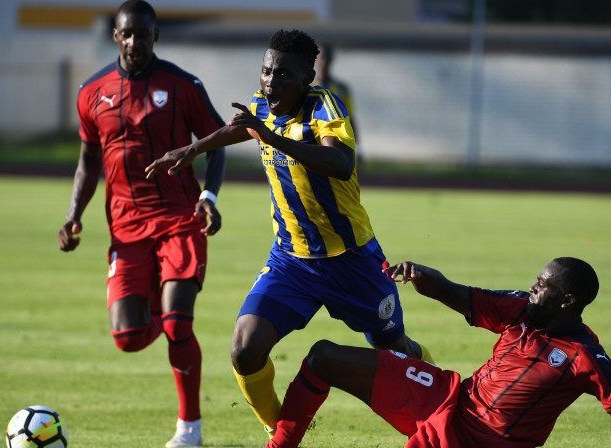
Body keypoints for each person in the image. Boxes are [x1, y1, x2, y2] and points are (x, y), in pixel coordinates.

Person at [144, 29, 434, 440]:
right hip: (292, 260)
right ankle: (279, 428)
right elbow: (242, 129)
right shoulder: (263, 103)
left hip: (351, 258)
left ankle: (432, 383)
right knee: (244, 349)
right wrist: (193, 149)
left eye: (283, 75)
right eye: (265, 72)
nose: (270, 82)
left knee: (393, 350)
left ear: (306, 78)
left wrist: (274, 138)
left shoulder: (324, 105)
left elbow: (340, 162)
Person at [57, 1, 226, 446]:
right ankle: (161, 314)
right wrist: (73, 215)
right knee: (128, 337)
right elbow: (88, 162)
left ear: (156, 36)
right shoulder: (92, 92)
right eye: (126, 34)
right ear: (115, 35)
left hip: (180, 220)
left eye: (143, 34)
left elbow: (218, 142)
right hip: (126, 229)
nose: (135, 42)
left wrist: (209, 195)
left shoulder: (183, 85)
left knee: (178, 325)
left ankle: (189, 429)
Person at [264, 257, 611, 448]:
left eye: (544, 286)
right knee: (323, 357)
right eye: (536, 281)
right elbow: (456, 293)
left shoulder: (584, 357)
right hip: (450, 395)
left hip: (479, 441)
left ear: (569, 301)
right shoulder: (520, 307)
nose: (533, 289)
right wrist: (423, 276)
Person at [313, 42, 362, 167]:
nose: (324, 62)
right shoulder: (308, 87)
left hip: (337, 144)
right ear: (316, 59)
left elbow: (351, 118)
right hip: (313, 143)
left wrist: (358, 147)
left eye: (328, 58)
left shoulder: (342, 88)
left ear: (332, 60)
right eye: (322, 57)